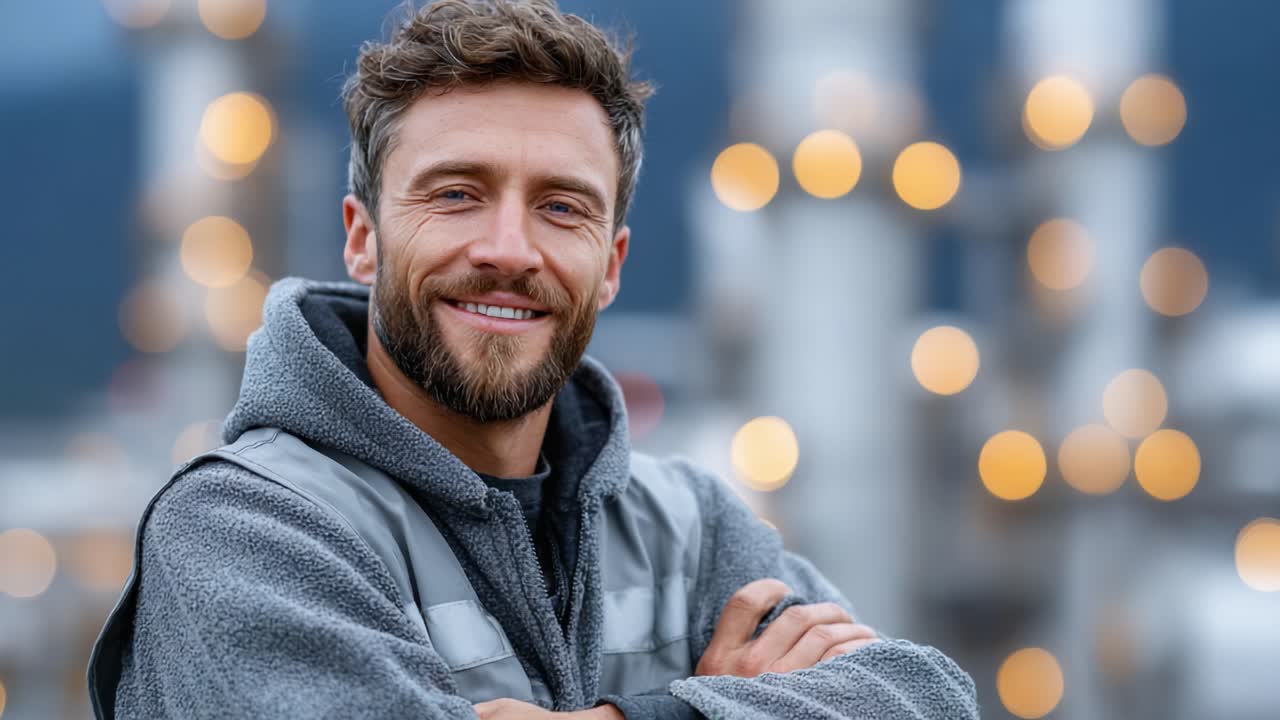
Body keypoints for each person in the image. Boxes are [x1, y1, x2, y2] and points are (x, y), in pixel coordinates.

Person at [87, 1, 979, 718]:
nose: (509, 248)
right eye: (458, 194)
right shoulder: (245, 529)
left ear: (613, 266)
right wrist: (735, 699)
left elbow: (928, 698)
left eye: (561, 207)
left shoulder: (687, 523)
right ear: (363, 239)